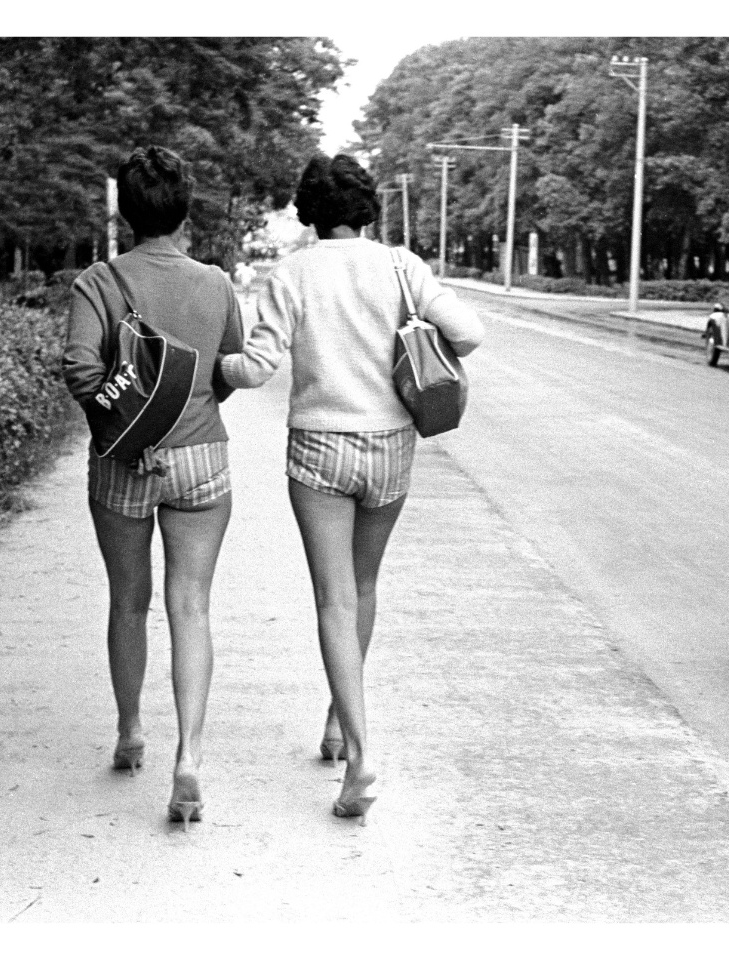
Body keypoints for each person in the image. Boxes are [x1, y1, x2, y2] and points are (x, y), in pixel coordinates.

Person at [218, 154, 484, 819]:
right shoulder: (402, 266)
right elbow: (469, 334)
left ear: (308, 210)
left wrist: (212, 364)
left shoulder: (292, 273)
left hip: (318, 448)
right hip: (392, 446)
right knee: (363, 589)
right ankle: (338, 724)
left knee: (333, 600)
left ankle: (361, 754)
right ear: (366, 206)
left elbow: (255, 368)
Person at [62, 146, 244, 826]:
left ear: (124, 212)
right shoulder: (217, 284)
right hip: (201, 460)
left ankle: (132, 730)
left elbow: (82, 372)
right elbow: (225, 369)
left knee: (129, 601)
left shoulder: (99, 283)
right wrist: (192, 404)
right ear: (185, 210)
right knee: (191, 605)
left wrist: (130, 433)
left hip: (122, 465)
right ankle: (189, 755)